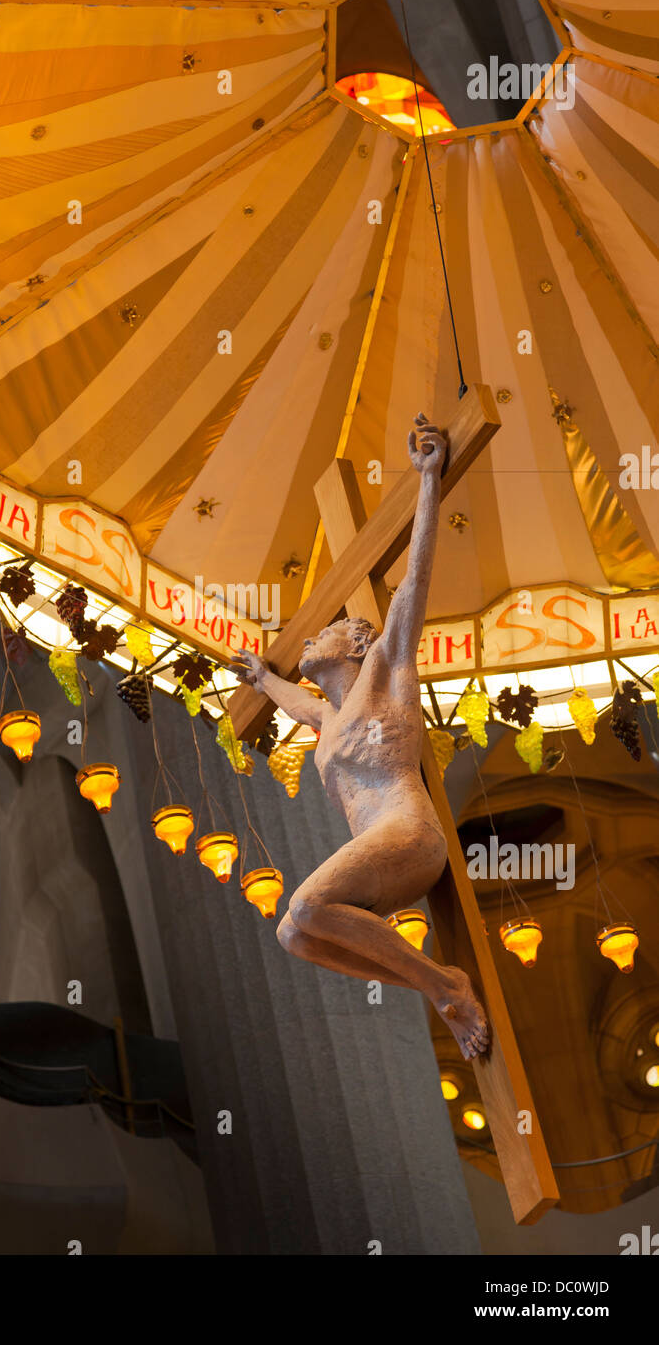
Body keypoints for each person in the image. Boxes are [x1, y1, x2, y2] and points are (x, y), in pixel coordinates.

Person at [231, 415, 489, 1059]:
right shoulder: (328, 721)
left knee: (309, 905)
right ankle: (435, 984)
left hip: (408, 835)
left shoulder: (387, 673)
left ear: (359, 642)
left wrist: (429, 480)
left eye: (328, 632)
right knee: (295, 936)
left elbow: (415, 583)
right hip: (380, 861)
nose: (312, 638)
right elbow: (297, 705)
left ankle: (446, 988)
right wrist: (263, 680)